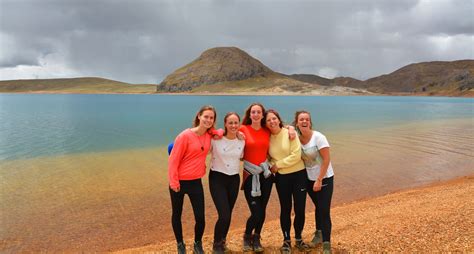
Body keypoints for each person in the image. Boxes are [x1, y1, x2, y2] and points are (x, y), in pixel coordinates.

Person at [168, 105, 220, 254]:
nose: (208, 120)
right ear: (199, 116)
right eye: (206, 117)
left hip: (196, 182)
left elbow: (220, 132)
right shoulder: (185, 136)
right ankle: (180, 244)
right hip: (178, 182)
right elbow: (173, 161)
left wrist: (217, 131)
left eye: (211, 118)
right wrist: (173, 182)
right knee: (177, 214)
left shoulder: (209, 135)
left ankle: (197, 243)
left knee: (200, 218)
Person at [265, 109, 310, 254]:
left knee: (300, 209)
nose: (272, 122)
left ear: (278, 119)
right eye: (268, 120)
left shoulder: (290, 133)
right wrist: (272, 163)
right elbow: (268, 157)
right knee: (285, 209)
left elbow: (296, 156)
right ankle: (286, 241)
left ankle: (298, 239)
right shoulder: (268, 138)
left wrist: (278, 165)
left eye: (274, 118)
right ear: (265, 123)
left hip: (299, 175)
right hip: (282, 179)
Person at [294, 110, 334, 254]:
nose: (304, 122)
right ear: (297, 123)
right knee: (318, 206)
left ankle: (327, 244)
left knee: (324, 210)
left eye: (307, 119)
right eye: (301, 119)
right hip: (309, 179)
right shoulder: (297, 139)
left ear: (310, 122)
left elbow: (326, 160)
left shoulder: (319, 137)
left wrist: (319, 179)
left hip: (325, 178)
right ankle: (318, 233)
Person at [239, 103, 273, 252]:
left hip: (266, 174)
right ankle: (247, 236)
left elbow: (282, 129)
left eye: (259, 112)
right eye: (253, 112)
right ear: (249, 114)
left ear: (262, 115)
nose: (256, 114)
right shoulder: (242, 129)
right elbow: (225, 132)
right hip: (249, 175)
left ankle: (257, 237)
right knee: (256, 211)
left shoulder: (267, 130)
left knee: (263, 209)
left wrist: (291, 129)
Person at [209, 112, 245, 253]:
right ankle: (216, 243)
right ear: (225, 124)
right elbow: (200, 146)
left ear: (239, 124)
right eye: (230, 123)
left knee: (228, 214)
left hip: (234, 179)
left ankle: (222, 240)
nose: (233, 125)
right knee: (224, 214)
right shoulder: (216, 139)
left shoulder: (242, 140)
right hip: (217, 178)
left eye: (236, 122)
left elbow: (243, 157)